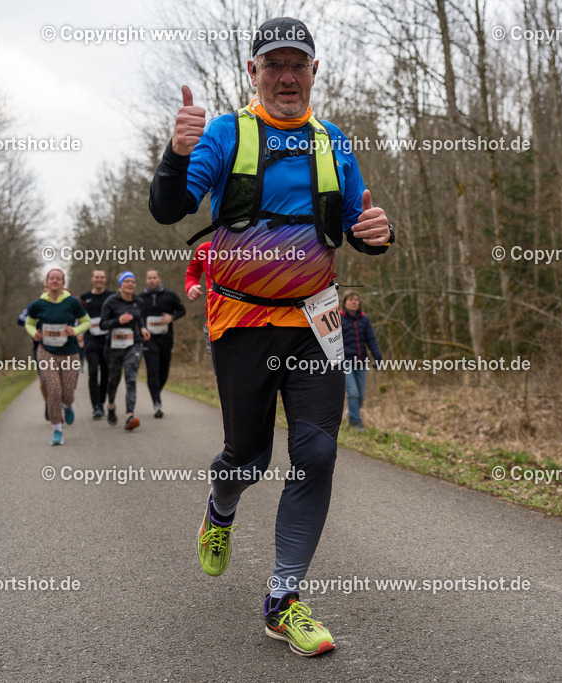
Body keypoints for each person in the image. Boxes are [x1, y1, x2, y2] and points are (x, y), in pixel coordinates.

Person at [149, 16, 393, 657]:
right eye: (273, 65)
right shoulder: (228, 134)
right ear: (253, 72)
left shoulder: (334, 142)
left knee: (317, 454)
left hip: (316, 323)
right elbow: (169, 209)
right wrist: (176, 154)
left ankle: (283, 600)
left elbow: (359, 225)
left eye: (297, 64)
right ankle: (220, 507)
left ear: (314, 72)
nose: (287, 76)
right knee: (248, 457)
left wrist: (379, 233)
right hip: (242, 322)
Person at [23, 269, 91, 446]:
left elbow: (86, 322)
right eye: (51, 278)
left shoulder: (72, 302)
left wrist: (74, 330)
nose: (55, 281)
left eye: (58, 278)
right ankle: (57, 430)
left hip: (69, 352)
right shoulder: (38, 304)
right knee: (53, 390)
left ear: (63, 282)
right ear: (47, 282)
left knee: (67, 393)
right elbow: (29, 323)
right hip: (46, 352)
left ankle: (67, 406)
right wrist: (34, 333)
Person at [99, 271, 151, 430]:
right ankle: (111, 405)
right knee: (114, 379)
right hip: (114, 346)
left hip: (134, 343)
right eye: (127, 281)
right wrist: (118, 320)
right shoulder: (111, 302)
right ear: (120, 284)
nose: (130, 284)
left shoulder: (138, 301)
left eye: (132, 282)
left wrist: (143, 328)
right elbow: (102, 324)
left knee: (131, 378)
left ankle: (130, 415)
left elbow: (140, 318)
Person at [138, 269, 186, 418]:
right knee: (152, 370)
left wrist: (172, 317)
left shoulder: (170, 295)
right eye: (149, 278)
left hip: (166, 338)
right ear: (146, 280)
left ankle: (155, 392)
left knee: (163, 371)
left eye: (154, 277)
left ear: (159, 279)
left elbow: (182, 310)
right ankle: (157, 403)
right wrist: (142, 327)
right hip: (148, 339)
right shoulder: (140, 298)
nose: (152, 280)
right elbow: (137, 316)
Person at [340, 291, 382, 430]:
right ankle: (356, 423)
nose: (354, 302)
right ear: (345, 302)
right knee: (353, 393)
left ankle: (351, 414)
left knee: (361, 396)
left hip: (361, 362)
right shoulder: (339, 318)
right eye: (351, 300)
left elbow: (371, 340)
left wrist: (377, 356)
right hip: (345, 362)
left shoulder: (364, 319)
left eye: (356, 300)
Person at [80, 270, 116, 419]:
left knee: (106, 373)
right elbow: (79, 317)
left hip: (108, 340)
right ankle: (96, 406)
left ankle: (101, 402)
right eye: (96, 277)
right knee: (93, 371)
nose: (99, 279)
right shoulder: (84, 298)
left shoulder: (112, 296)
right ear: (92, 279)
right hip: (91, 340)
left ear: (105, 279)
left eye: (102, 277)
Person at [184, 241, 214, 367]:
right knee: (221, 375)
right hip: (214, 323)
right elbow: (192, 272)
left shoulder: (254, 248)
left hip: (248, 324)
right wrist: (190, 286)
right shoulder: (206, 249)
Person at [17, 303, 49, 420]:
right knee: (44, 378)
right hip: (39, 347)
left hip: (61, 347)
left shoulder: (64, 303)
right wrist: (37, 321)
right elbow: (20, 320)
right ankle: (48, 404)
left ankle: (62, 402)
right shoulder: (35, 305)